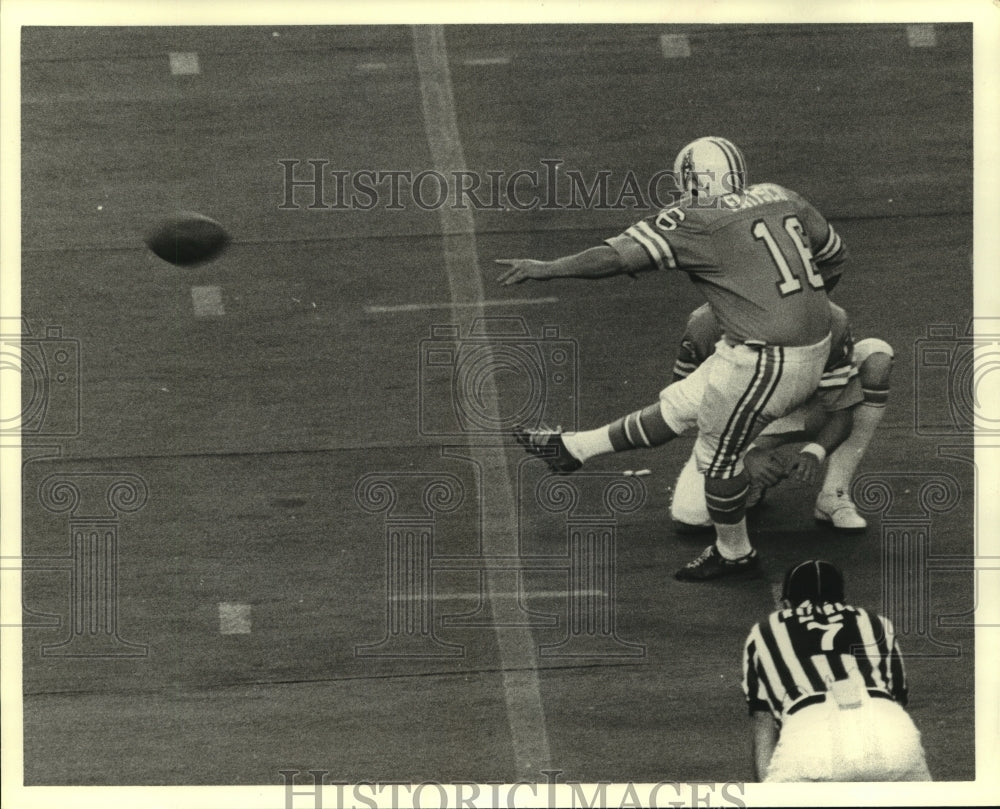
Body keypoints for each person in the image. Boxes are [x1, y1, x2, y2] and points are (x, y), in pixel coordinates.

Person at [498, 136, 847, 581]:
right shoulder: (783, 196)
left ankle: (734, 553)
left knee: (717, 461)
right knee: (681, 405)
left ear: (692, 180)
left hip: (768, 359)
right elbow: (835, 257)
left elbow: (615, 257)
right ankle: (572, 449)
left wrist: (547, 267)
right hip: (779, 346)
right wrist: (797, 312)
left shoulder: (696, 219)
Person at [669, 302, 894, 531]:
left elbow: (841, 412)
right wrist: (746, 453)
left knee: (876, 355)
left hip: (808, 411)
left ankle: (834, 495)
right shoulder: (707, 321)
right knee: (692, 516)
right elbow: (684, 403)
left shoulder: (830, 317)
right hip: (739, 425)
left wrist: (814, 452)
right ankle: (748, 479)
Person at [742, 560, 932, 781]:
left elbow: (763, 726)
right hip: (887, 732)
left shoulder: (765, 630)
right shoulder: (875, 623)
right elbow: (896, 700)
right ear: (843, 601)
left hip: (810, 738)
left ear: (785, 604)